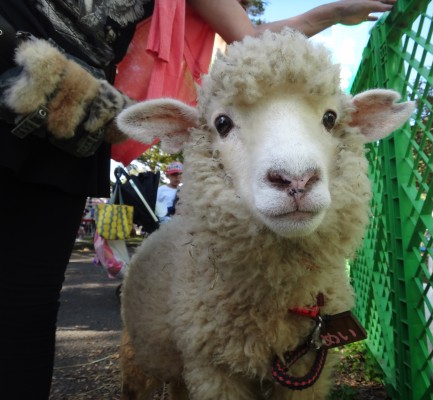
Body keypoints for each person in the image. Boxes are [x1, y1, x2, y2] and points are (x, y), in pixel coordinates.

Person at [0, 0, 397, 398]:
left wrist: (325, 15)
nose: (294, 169)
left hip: (61, 118)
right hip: (27, 74)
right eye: (222, 123)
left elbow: (247, 36)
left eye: (329, 119)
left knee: (24, 307)